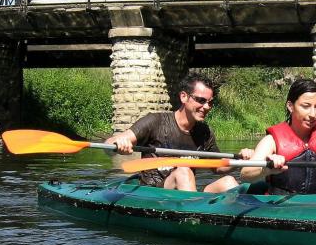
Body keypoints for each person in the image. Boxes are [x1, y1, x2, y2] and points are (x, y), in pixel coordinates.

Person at [106, 72, 248, 193]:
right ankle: (193, 214)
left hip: (186, 192)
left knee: (228, 182)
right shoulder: (155, 121)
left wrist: (240, 160)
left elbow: (218, 167)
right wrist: (118, 143)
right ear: (184, 97)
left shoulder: (204, 132)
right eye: (201, 100)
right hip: (154, 193)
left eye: (210, 102)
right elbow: (110, 144)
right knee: (183, 171)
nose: (206, 107)